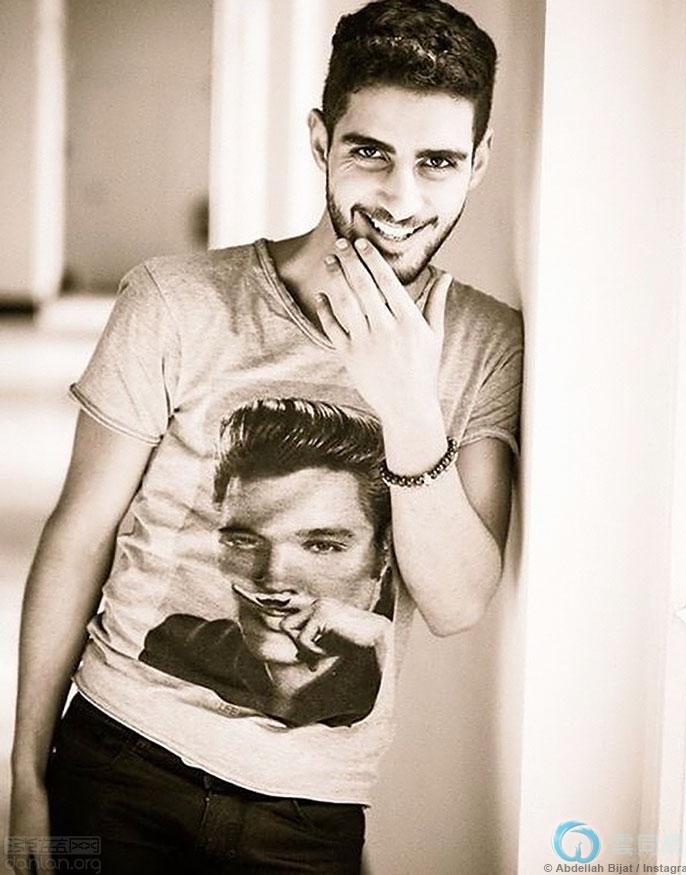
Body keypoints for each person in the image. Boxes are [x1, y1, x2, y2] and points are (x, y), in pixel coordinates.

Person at [9, 1, 523, 873]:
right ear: (321, 141)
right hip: (117, 760)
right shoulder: (174, 299)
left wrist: (407, 403)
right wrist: (24, 770)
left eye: (436, 162)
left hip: (310, 813)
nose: (401, 198)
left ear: (477, 163)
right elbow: (78, 534)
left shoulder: (484, 344)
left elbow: (457, 602)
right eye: (371, 152)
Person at [140, 397, 395, 728]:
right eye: (244, 541)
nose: (274, 578)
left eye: (321, 546)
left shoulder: (391, 671)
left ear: (383, 554)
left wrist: (386, 647)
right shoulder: (178, 646)